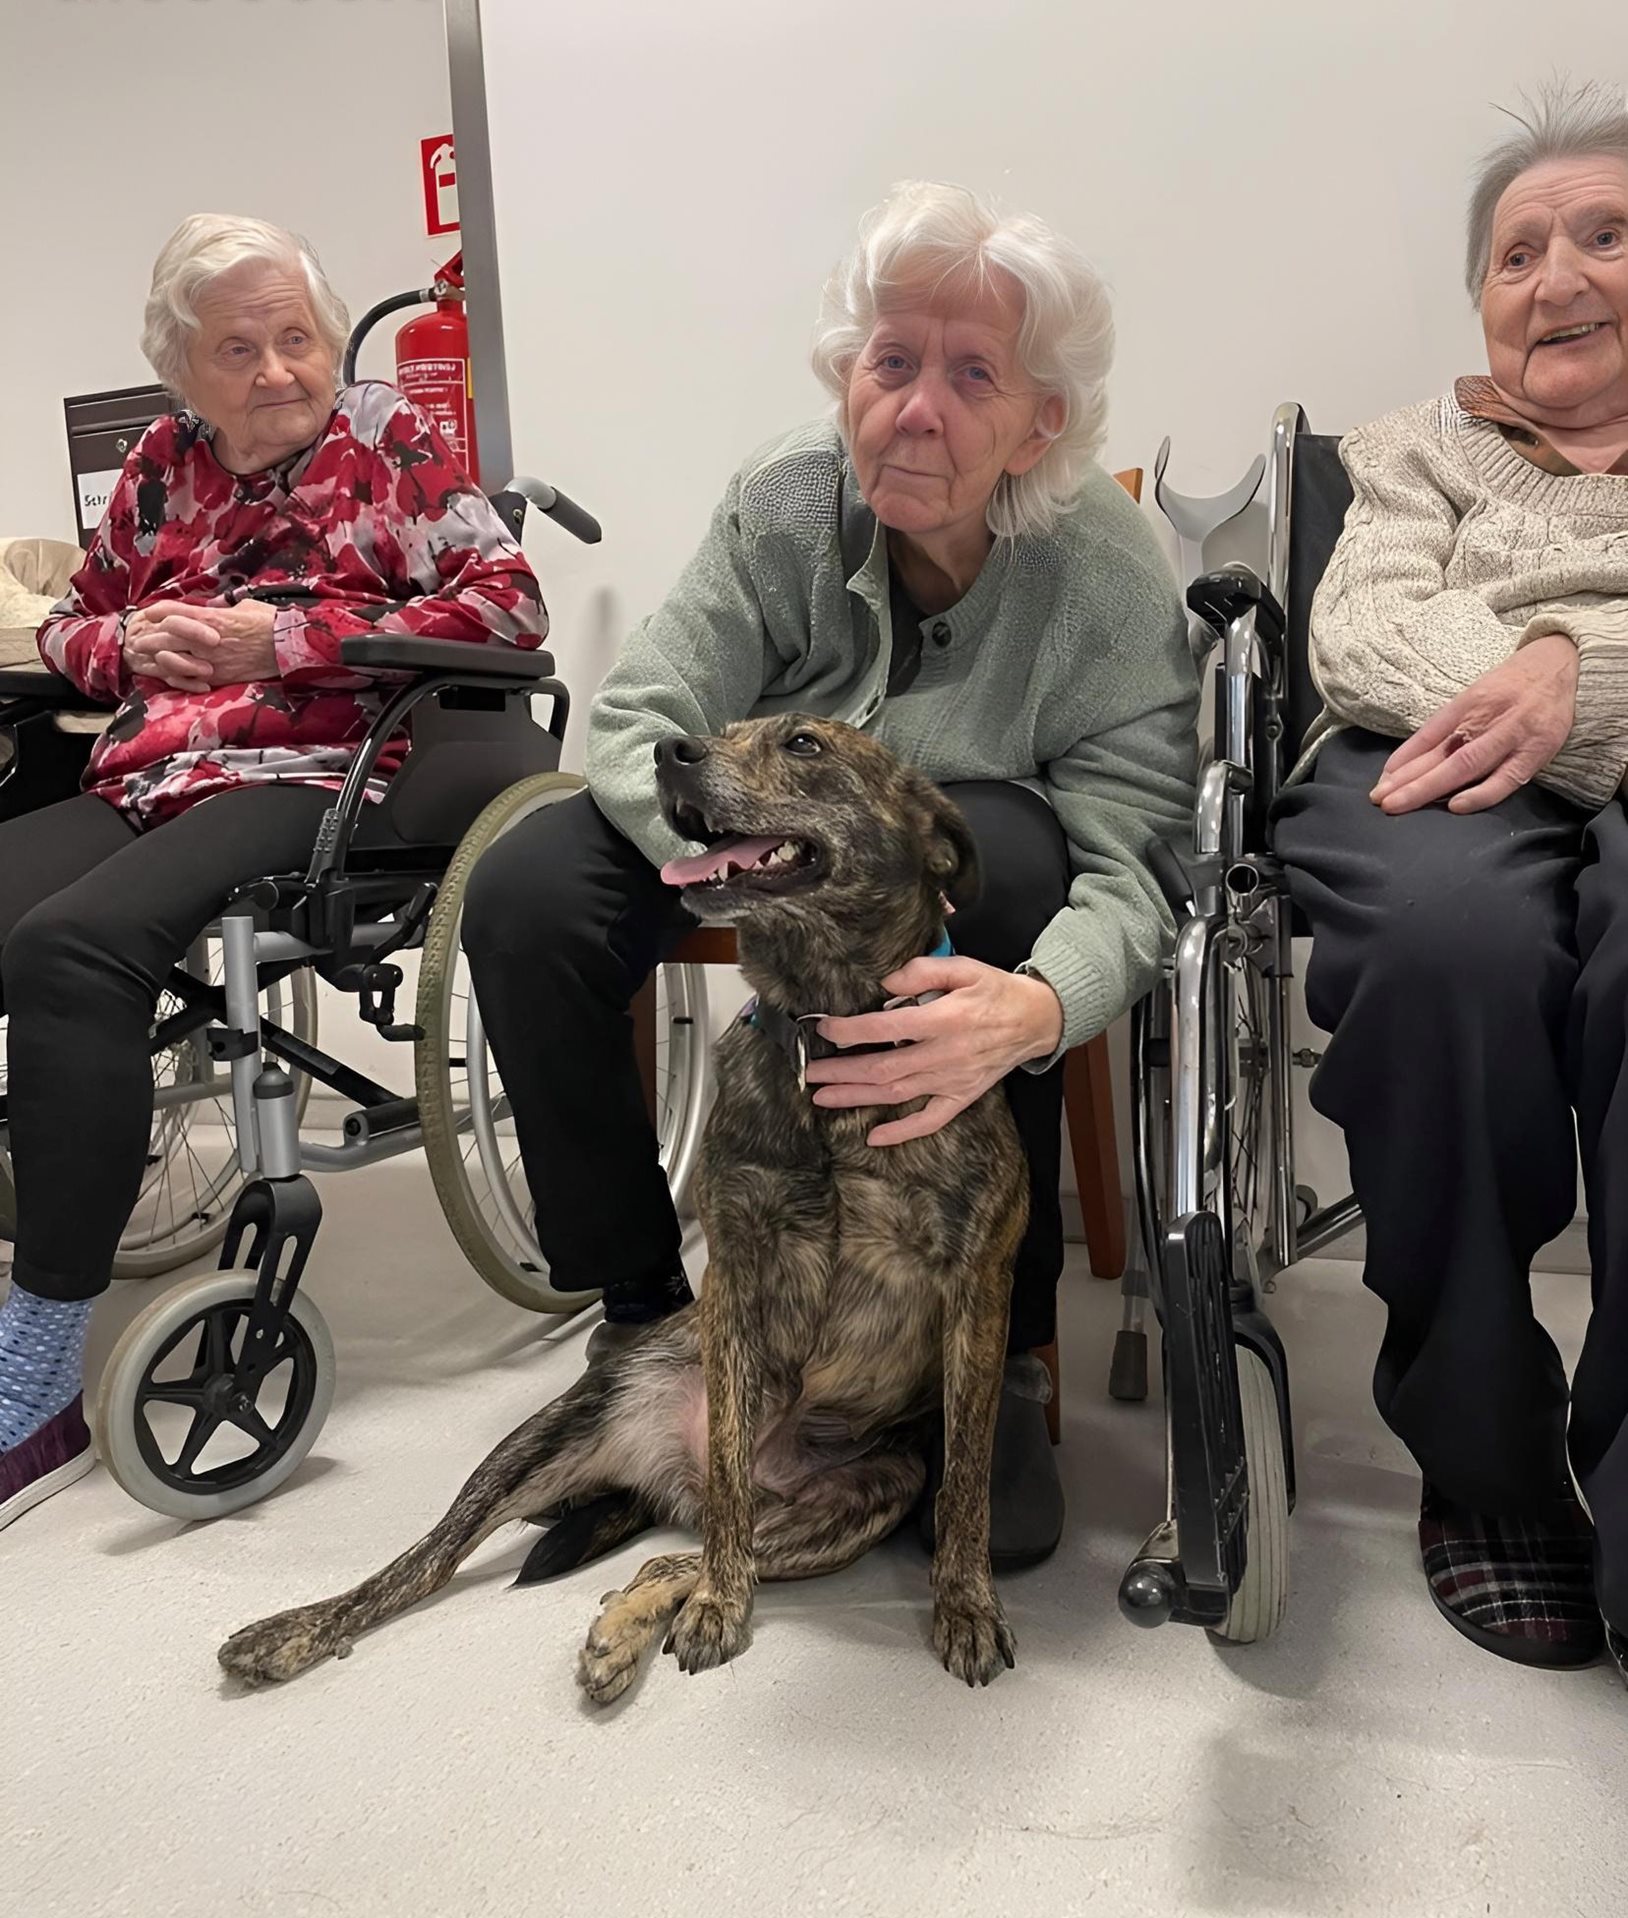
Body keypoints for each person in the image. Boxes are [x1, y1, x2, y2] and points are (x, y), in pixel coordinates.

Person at [461, 181, 1199, 1568]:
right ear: (847, 372)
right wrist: (739, 864)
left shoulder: (1101, 577)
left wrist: (1043, 1007)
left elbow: (1141, 857)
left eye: (972, 375)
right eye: (891, 360)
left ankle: (1003, 1355)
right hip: (760, 824)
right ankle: (643, 1312)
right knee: (526, 895)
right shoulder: (787, 501)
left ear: (1041, 421)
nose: (915, 409)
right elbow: (643, 712)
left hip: (965, 865)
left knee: (1008, 869)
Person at [0, 213, 545, 1531]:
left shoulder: (387, 441)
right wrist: (129, 645)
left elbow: (507, 605)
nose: (276, 371)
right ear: (183, 369)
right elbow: (71, 626)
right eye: (236, 350)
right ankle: (54, 1200)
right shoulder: (158, 466)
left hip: (316, 772)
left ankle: (41, 1364)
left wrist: (283, 644)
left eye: (294, 338)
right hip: (148, 775)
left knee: (71, 951)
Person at [1274, 83, 1628, 1673]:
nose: (1558, 279)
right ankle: (1489, 1468)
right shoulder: (1415, 448)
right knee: (1446, 948)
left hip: (1575, 719)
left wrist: (1581, 671)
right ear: (1483, 298)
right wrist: (1535, 677)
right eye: (1518, 254)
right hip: (1424, 750)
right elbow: (1361, 635)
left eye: (1606, 236)